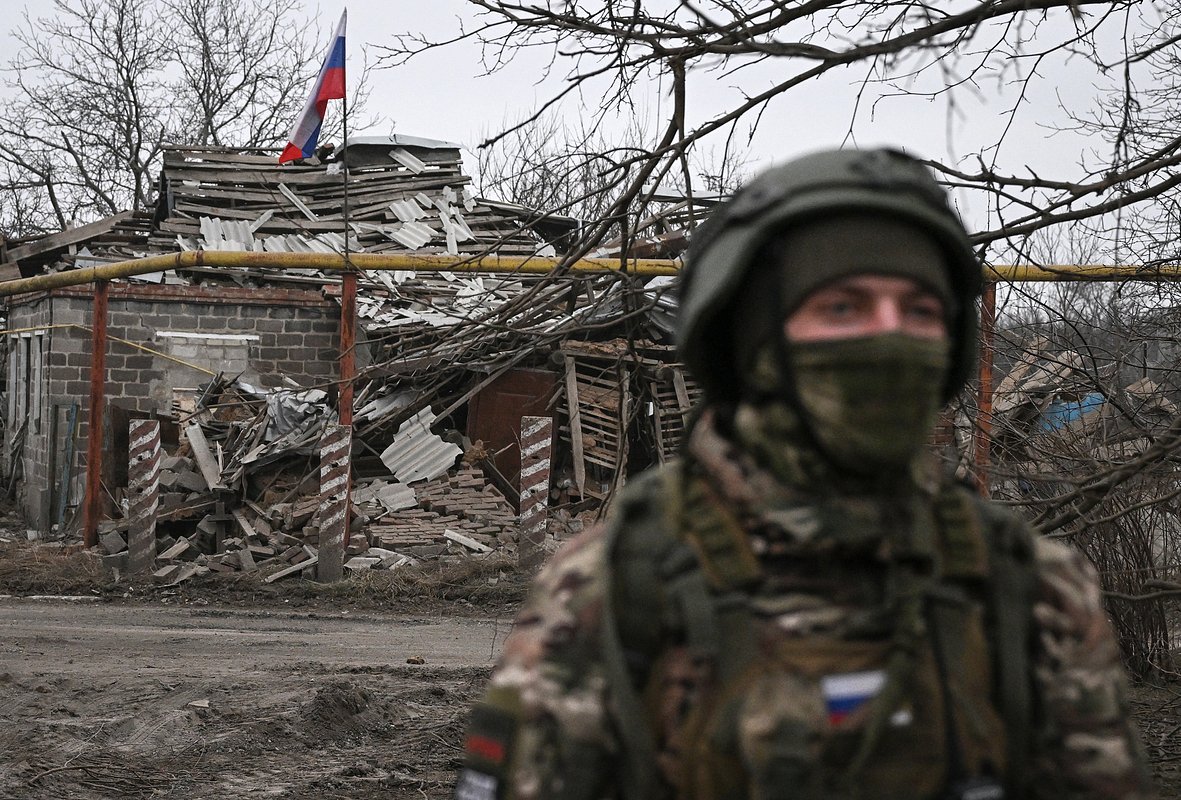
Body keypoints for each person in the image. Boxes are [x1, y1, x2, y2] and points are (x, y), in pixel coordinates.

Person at [455, 148, 1155, 800]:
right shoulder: (619, 584)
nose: (887, 336)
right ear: (754, 339)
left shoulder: (1025, 584)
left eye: (918, 309)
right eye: (842, 306)